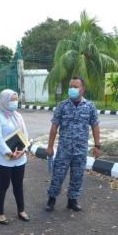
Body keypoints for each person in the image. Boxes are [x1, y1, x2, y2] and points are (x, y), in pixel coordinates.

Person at [45, 77, 101, 212]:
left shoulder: (90, 106)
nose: (72, 89)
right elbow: (54, 127)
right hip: (64, 149)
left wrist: (97, 145)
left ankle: (72, 201)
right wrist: (50, 146)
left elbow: (95, 126)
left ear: (83, 89)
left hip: (80, 150)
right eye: (70, 87)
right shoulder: (62, 106)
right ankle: (51, 200)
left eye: (75, 87)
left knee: (77, 176)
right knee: (58, 175)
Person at [0, 89, 30, 225]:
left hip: (19, 159)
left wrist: (23, 150)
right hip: (3, 160)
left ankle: (21, 210)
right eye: (12, 99)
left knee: (18, 185)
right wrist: (9, 153)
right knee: (3, 185)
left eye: (16, 99)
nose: (15, 102)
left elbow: (25, 135)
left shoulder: (18, 115)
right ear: (4, 100)